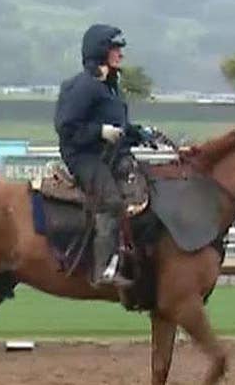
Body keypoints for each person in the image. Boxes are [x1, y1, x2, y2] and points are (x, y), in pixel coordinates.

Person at [54, 24, 143, 287]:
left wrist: (141, 134)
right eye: (116, 49)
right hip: (83, 157)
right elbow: (66, 127)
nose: (121, 54)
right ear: (101, 51)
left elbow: (121, 127)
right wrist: (99, 132)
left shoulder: (110, 87)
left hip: (110, 154)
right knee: (111, 202)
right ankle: (103, 270)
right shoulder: (84, 86)